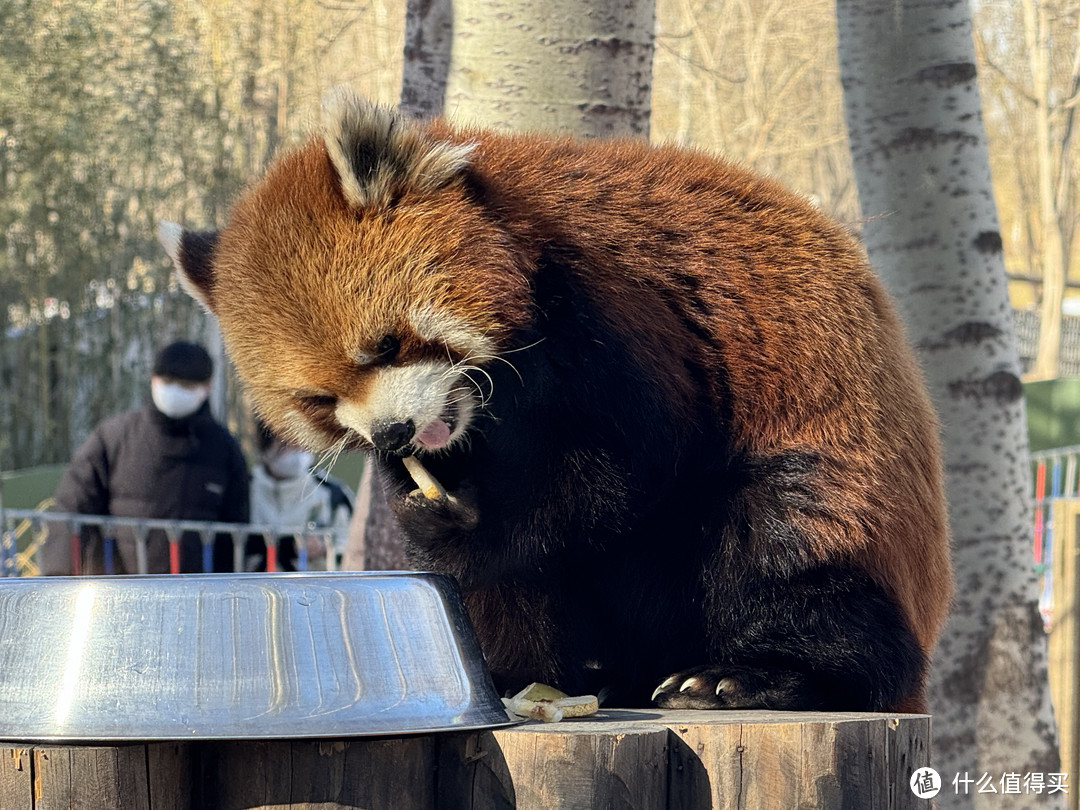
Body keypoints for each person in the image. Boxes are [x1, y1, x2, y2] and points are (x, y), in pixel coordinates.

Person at [45, 340, 250, 574]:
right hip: (118, 592)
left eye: (186, 384)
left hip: (195, 598)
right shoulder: (113, 438)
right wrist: (57, 579)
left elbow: (236, 533)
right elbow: (71, 508)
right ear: (153, 379)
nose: (175, 390)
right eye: (168, 381)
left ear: (207, 387)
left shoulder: (224, 450)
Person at [245, 419, 354, 571]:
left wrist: (324, 548)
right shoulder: (244, 489)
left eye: (300, 439)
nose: (295, 447)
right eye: (285, 441)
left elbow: (351, 550)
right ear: (264, 441)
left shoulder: (332, 494)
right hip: (255, 590)